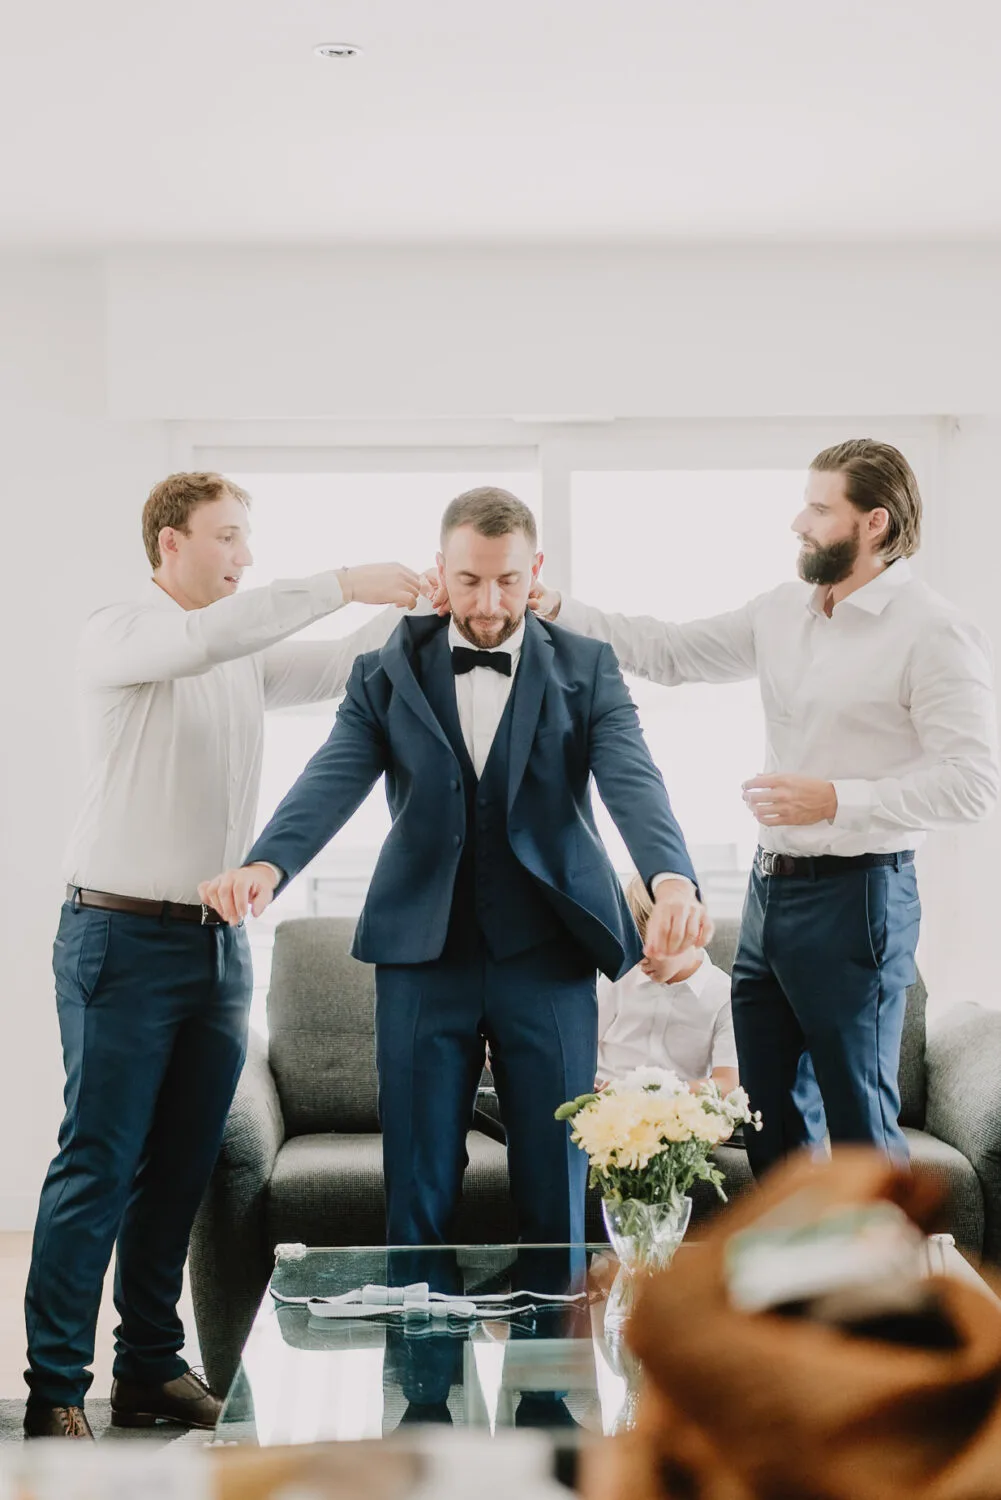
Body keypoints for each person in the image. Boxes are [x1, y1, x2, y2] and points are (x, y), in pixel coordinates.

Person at [199, 486, 712, 1253]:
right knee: (416, 1181)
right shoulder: (385, 668)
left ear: (533, 567)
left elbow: (632, 778)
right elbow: (333, 773)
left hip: (547, 953)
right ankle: (420, 1369)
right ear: (441, 569)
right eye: (469, 580)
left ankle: (553, 1369)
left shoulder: (587, 666)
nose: (487, 600)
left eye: (506, 580)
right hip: (419, 954)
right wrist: (268, 864)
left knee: (556, 1185)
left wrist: (671, 878)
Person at [24, 471, 425, 1441]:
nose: (244, 557)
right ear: (169, 542)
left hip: (215, 948)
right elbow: (213, 634)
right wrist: (347, 576)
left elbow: (334, 665)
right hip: (117, 939)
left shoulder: (236, 658)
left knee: (184, 1169)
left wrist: (428, 600)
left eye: (247, 539)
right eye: (227, 537)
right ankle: (53, 1388)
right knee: (101, 1160)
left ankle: (151, 1371)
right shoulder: (120, 634)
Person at [526, 440, 999, 1176]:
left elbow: (974, 781)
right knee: (765, 1110)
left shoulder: (930, 629)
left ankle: (882, 1291)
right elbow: (671, 652)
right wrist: (557, 608)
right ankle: (792, 1284)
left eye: (817, 508)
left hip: (861, 894)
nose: (796, 522)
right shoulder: (783, 611)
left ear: (873, 523)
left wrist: (837, 797)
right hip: (768, 891)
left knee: (855, 1117)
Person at [597, 875, 738, 1093]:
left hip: (674, 1112)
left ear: (694, 932)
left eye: (652, 946)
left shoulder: (724, 997)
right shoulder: (619, 976)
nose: (640, 959)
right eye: (633, 947)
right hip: (602, 1102)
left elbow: (726, 1083)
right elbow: (581, 1046)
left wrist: (648, 1092)